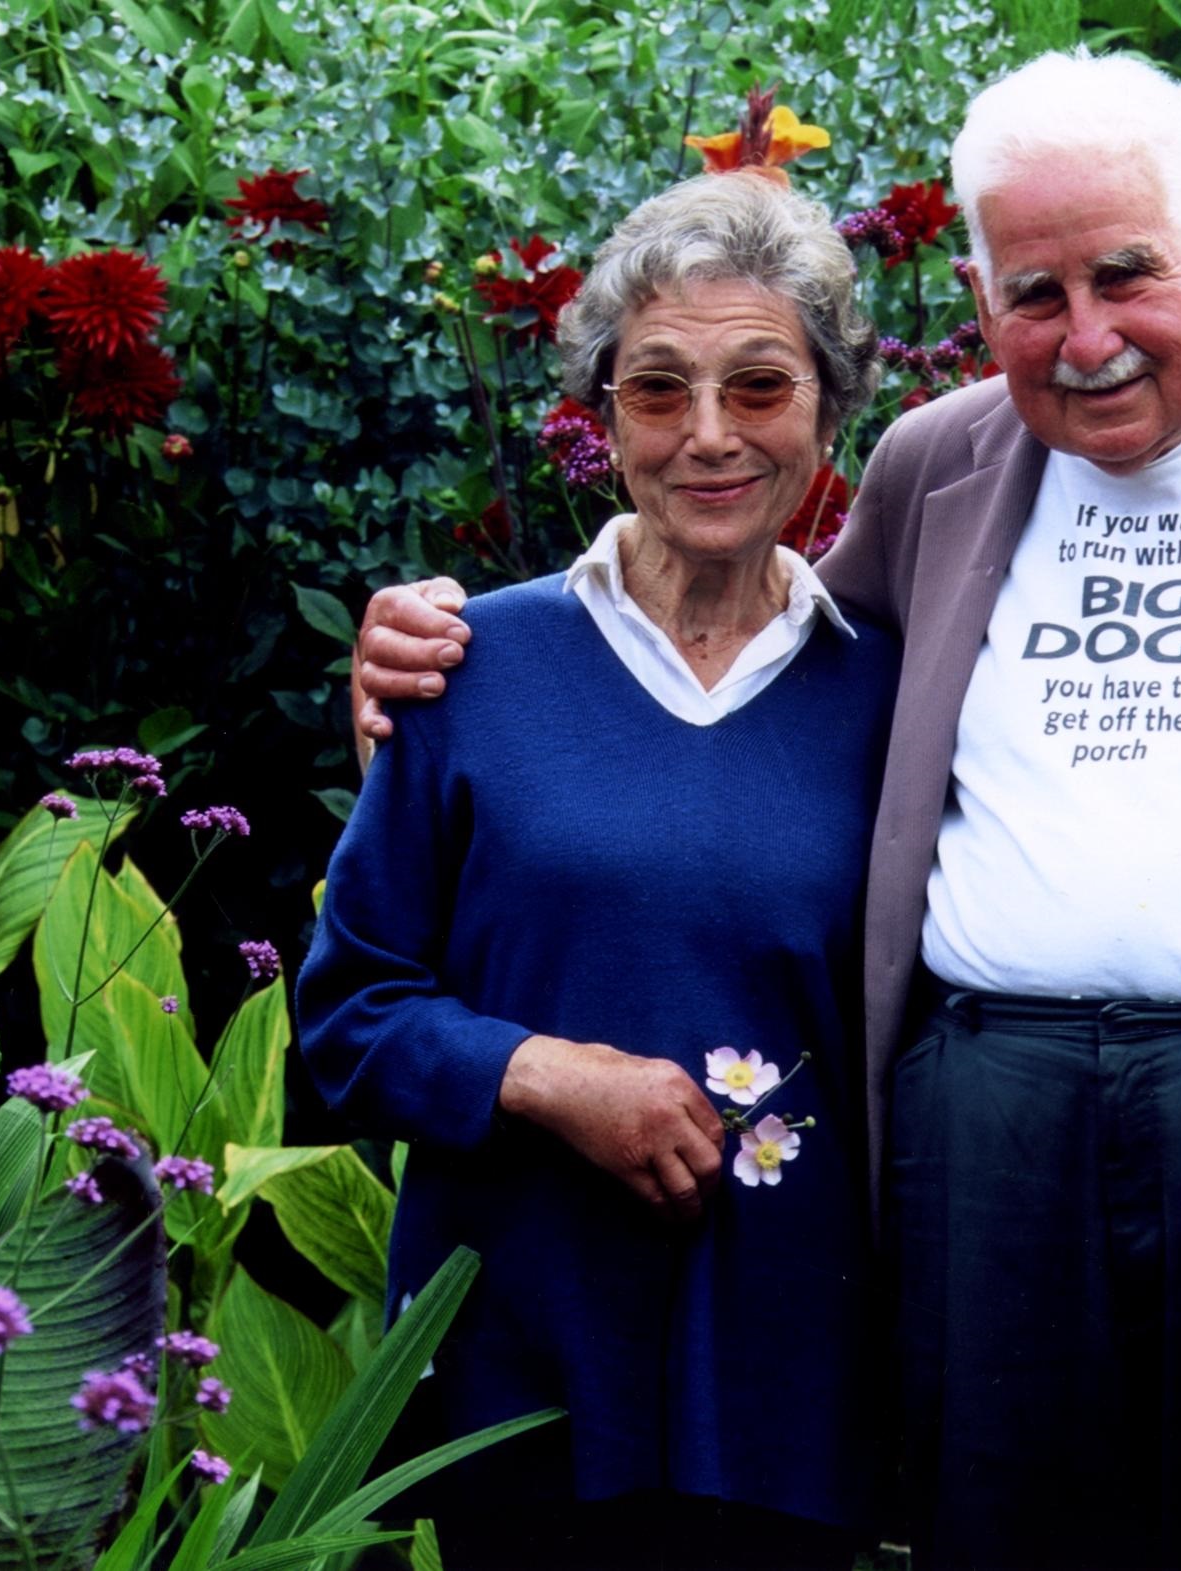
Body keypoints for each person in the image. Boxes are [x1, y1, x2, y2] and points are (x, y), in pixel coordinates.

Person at [351, 49, 1181, 1571]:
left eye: (1126, 275)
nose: (1087, 338)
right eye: (1035, 294)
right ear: (978, 301)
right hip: (984, 1119)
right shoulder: (941, 465)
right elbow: (745, 676)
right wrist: (442, 658)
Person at [297, 168, 896, 1571]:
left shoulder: (896, 699)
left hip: (791, 1380)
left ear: (828, 412)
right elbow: (346, 1016)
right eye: (658, 390)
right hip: (524, 1364)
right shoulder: (470, 669)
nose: (709, 435)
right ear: (604, 414)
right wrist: (548, 1076)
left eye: (759, 387)